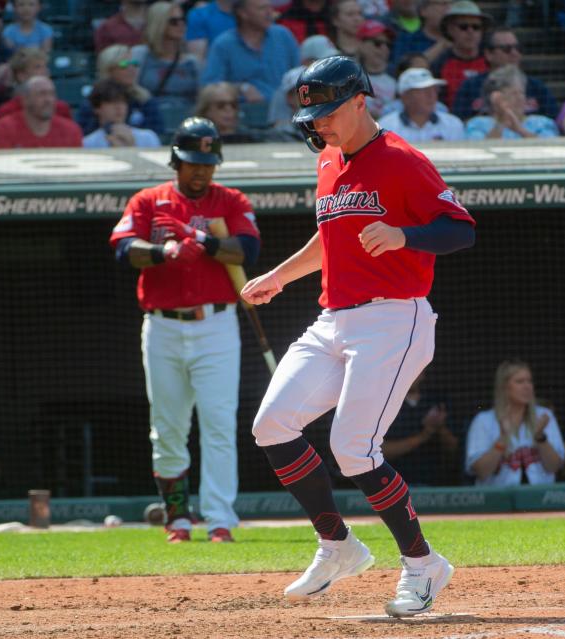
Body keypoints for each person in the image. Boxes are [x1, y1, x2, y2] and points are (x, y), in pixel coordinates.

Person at [241, 56, 474, 617]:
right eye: (311, 114)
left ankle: (423, 564)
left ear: (358, 101)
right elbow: (330, 239)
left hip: (395, 318)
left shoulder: (401, 159)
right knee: (271, 424)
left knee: (352, 448)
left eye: (325, 112)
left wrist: (404, 234)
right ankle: (338, 544)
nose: (318, 123)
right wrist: (278, 275)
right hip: (334, 318)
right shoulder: (328, 161)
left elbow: (459, 229)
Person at [109, 116, 260, 543]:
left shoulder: (229, 200)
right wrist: (164, 251)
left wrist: (207, 243)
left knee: (218, 423)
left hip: (216, 324)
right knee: (168, 425)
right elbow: (124, 248)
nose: (201, 171)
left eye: (208, 163)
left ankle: (219, 519)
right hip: (163, 326)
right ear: (176, 160)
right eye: (193, 162)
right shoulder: (149, 200)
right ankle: (177, 519)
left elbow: (247, 248)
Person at [465, 359, 565, 486]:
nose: (527, 386)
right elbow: (481, 471)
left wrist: (540, 437)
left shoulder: (544, 416)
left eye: (529, 381)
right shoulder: (483, 421)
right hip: (497, 500)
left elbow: (554, 466)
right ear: (504, 387)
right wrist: (502, 440)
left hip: (539, 499)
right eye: (520, 381)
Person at [201, 0, 300, 106]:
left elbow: (299, 75)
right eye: (262, 8)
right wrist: (241, 88)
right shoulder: (223, 45)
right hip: (243, 114)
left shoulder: (283, 36)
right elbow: (210, 87)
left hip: (285, 113)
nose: (269, 12)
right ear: (243, 13)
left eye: (269, 7)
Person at [451, 28, 558, 122]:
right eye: (507, 49)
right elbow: (460, 122)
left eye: (518, 48)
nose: (514, 53)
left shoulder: (537, 87)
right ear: (489, 54)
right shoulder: (470, 86)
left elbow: (552, 121)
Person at [381, 371, 461, 486]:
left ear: (422, 373)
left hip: (434, 485)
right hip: (395, 487)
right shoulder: (386, 405)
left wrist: (440, 428)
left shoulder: (436, 403)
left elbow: (455, 449)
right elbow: (382, 452)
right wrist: (425, 434)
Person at [78, 45, 165, 136]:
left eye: (134, 64)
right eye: (124, 64)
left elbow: (157, 134)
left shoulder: (145, 99)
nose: (132, 69)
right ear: (108, 69)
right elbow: (84, 134)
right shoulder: (93, 102)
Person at [132, 1, 201, 109]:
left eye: (183, 20)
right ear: (159, 24)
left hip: (185, 118)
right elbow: (128, 85)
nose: (181, 25)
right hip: (152, 117)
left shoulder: (192, 62)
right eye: (174, 21)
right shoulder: (139, 54)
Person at [465, 65, 559, 139]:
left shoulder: (542, 123)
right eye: (513, 94)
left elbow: (552, 149)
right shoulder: (477, 124)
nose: (520, 98)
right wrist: (500, 124)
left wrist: (520, 130)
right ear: (496, 98)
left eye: (521, 93)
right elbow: (478, 152)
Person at [0, 75, 83, 147]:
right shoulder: (4, 129)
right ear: (25, 99)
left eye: (51, 94)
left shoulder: (71, 131)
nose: (48, 100)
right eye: (41, 94)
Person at [430, 0, 491, 109]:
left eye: (476, 27)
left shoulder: (490, 60)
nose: (470, 31)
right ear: (450, 29)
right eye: (463, 26)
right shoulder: (439, 64)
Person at [378, 67, 464, 141]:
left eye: (434, 90)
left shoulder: (453, 124)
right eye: (423, 91)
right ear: (405, 97)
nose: (431, 95)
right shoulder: (386, 127)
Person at [0, 47, 74, 122]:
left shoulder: (61, 109)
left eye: (45, 66)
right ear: (21, 76)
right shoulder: (6, 111)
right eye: (37, 67)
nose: (45, 71)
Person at [83, 78, 161, 148]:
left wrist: (131, 147)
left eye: (122, 102)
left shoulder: (148, 137)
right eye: (111, 102)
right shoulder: (88, 143)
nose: (119, 107)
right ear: (97, 108)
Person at [389, 0, 451, 71]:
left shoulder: (461, 35)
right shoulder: (406, 40)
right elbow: (401, 71)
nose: (449, 9)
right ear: (423, 11)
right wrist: (442, 45)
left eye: (451, 3)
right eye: (443, 4)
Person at [194, 81, 259, 143]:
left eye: (233, 105)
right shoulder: (196, 141)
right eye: (221, 105)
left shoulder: (248, 139)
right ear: (207, 111)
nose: (229, 109)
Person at [357, 20, 396, 118]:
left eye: (388, 45)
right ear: (361, 44)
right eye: (377, 43)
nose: (384, 49)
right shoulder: (349, 77)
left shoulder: (396, 76)